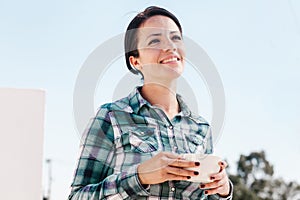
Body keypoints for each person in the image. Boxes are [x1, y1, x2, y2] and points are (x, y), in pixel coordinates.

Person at [68, 6, 233, 200]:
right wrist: (140, 176)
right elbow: (77, 196)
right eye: (155, 40)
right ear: (136, 61)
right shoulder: (111, 117)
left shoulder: (201, 128)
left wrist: (223, 190)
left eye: (175, 38)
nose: (170, 46)